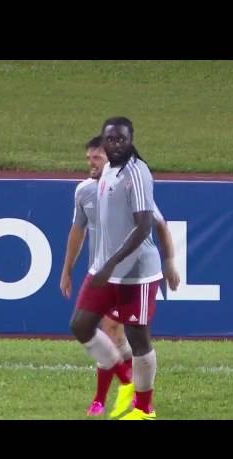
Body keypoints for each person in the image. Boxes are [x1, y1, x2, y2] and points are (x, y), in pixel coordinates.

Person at [60, 135, 179, 418]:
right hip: (102, 274)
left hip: (133, 275)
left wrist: (170, 261)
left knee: (123, 334)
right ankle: (124, 380)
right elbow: (77, 232)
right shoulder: (85, 192)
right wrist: (67, 269)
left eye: (97, 158)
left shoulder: (130, 186)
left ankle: (136, 401)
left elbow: (159, 225)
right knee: (85, 327)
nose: (91, 164)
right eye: (88, 158)